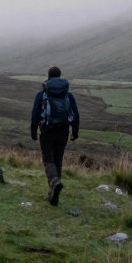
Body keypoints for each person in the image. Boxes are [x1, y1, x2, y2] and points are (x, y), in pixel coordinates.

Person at [30, 66, 79, 206]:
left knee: (48, 160)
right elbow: (75, 114)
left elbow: (35, 115)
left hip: (47, 131)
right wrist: (75, 132)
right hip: (63, 131)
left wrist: (33, 131)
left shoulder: (42, 94)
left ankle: (54, 182)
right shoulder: (68, 95)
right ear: (60, 76)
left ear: (48, 76)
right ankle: (54, 194)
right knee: (58, 160)